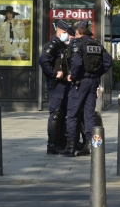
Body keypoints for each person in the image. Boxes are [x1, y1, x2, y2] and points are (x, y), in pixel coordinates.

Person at [60, 21, 112, 157]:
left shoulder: (77, 43)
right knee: (89, 115)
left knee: (72, 114)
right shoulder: (97, 44)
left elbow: (76, 62)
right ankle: (89, 145)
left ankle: (70, 146)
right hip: (92, 82)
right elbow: (108, 61)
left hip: (80, 82)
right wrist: (96, 74)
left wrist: (73, 76)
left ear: (78, 32)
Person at [38, 20, 74, 154]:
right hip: (57, 84)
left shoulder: (61, 44)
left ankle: (60, 143)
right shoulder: (54, 43)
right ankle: (52, 145)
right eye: (64, 33)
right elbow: (43, 60)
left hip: (64, 83)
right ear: (58, 31)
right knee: (56, 113)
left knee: (63, 113)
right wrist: (54, 74)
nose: (66, 35)